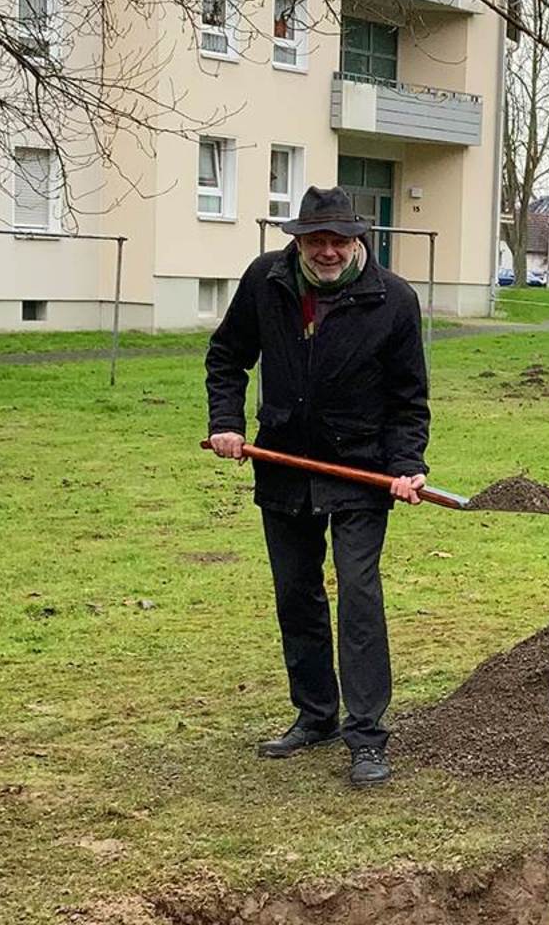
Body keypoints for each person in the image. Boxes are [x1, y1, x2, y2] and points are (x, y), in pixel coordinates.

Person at [206, 185, 430, 788]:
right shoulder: (266, 281)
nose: (327, 252)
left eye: (338, 240)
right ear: (298, 241)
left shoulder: (394, 300)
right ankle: (315, 714)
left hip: (361, 468)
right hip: (281, 461)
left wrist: (408, 463)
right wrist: (225, 422)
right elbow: (228, 356)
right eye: (315, 241)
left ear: (357, 240)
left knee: (359, 595)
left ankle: (366, 735)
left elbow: (409, 400)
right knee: (296, 593)